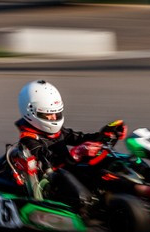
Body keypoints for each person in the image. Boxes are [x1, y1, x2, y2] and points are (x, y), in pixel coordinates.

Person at [13, 80, 127, 209]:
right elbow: (49, 169)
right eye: (48, 114)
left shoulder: (55, 132)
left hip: (70, 170)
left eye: (56, 112)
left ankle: (142, 185)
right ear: (31, 112)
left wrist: (107, 133)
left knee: (116, 163)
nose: (54, 117)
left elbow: (81, 138)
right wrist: (77, 153)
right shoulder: (29, 142)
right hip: (55, 184)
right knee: (98, 179)